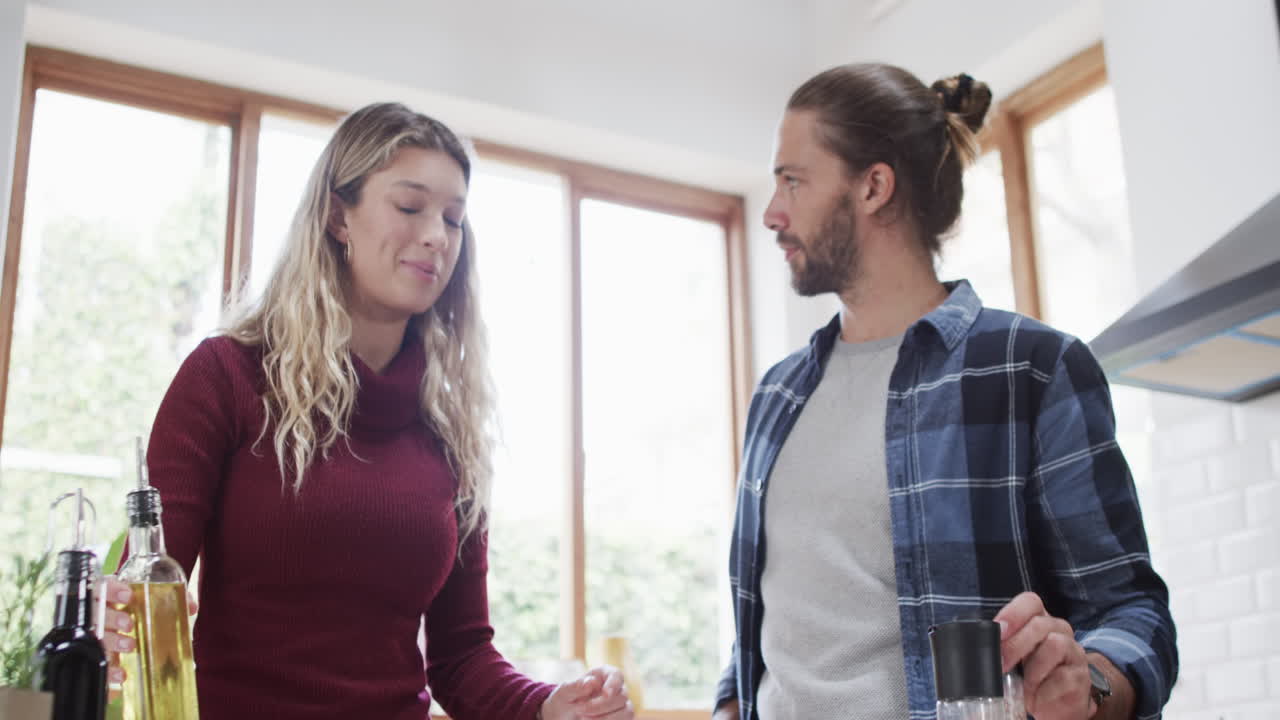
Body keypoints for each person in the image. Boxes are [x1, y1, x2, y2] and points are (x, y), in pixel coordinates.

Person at [97, 102, 634, 720]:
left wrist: (549, 708)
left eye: (454, 218)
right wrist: (110, 615)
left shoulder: (451, 434)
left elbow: (461, 657)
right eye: (410, 207)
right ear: (337, 216)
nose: (437, 234)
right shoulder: (227, 377)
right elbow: (144, 578)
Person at [713, 65, 1177, 720]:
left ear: (873, 187)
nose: (771, 212)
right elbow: (766, 629)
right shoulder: (777, 396)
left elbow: (1132, 610)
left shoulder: (1032, 369)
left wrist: (1091, 685)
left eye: (793, 179)